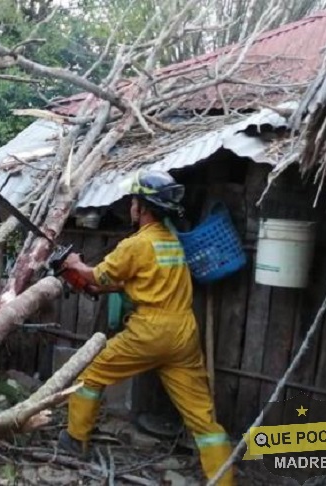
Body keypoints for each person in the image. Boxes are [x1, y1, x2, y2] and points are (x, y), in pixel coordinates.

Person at [56, 170, 235, 486]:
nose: (131, 207)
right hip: (183, 333)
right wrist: (108, 288)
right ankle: (223, 480)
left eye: (133, 201)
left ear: (142, 207)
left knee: (92, 374)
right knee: (202, 417)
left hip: (151, 331)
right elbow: (144, 281)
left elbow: (98, 275)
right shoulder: (172, 243)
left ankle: (75, 439)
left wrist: (73, 265)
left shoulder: (135, 245)